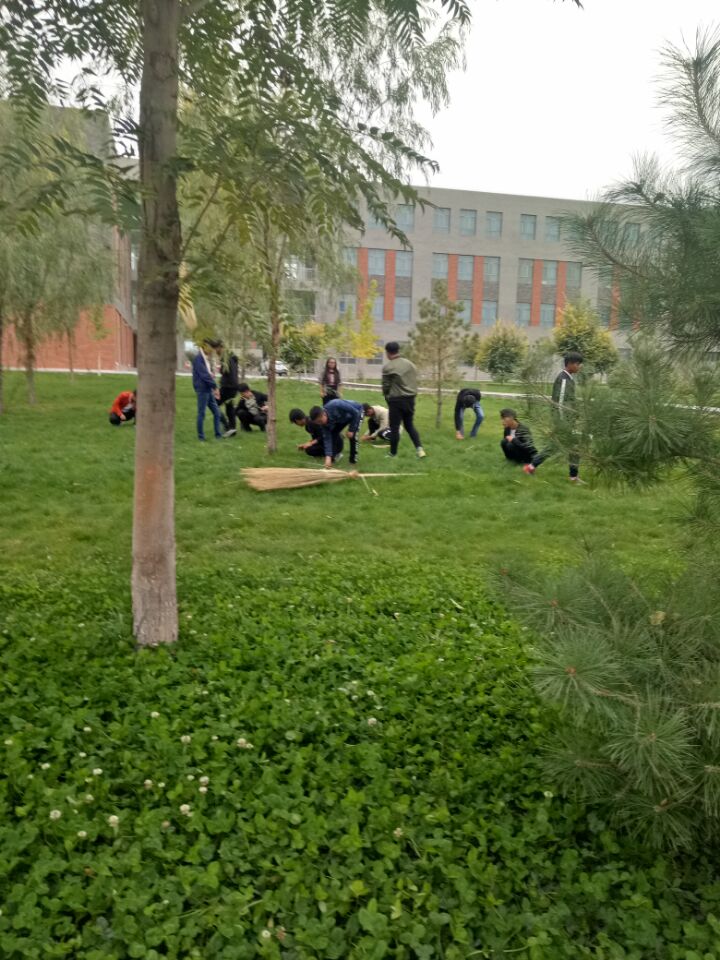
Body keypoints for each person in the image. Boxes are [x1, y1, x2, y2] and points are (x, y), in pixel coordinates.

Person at [523, 351, 584, 481]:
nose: (580, 366)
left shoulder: (569, 378)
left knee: (560, 446)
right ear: (570, 364)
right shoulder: (564, 379)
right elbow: (560, 403)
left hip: (567, 420)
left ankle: (532, 467)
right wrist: (563, 422)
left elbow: (569, 401)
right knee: (571, 447)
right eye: (578, 364)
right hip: (563, 421)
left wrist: (575, 414)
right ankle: (573, 477)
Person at [381, 341, 426, 459]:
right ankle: (420, 449)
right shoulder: (410, 364)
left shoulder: (388, 367)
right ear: (398, 350)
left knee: (394, 427)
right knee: (409, 425)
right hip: (410, 399)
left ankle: (393, 454)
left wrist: (386, 396)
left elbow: (386, 386)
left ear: (387, 352)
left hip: (396, 400)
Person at [309, 398, 364, 467]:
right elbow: (327, 439)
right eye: (317, 423)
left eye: (320, 421)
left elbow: (355, 412)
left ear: (324, 414)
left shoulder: (336, 405)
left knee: (352, 436)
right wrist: (328, 456)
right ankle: (332, 458)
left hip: (357, 412)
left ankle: (353, 461)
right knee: (333, 434)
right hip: (343, 418)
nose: (320, 424)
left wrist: (351, 429)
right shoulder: (323, 424)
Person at [192, 339, 223, 441]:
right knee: (201, 413)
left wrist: (212, 379)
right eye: (210, 348)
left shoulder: (205, 358)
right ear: (205, 346)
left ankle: (218, 435)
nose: (211, 351)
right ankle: (201, 437)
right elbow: (204, 375)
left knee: (217, 412)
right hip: (202, 390)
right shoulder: (198, 359)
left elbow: (207, 374)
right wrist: (215, 387)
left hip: (208, 389)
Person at [217, 341, 240, 437]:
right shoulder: (233, 357)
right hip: (234, 386)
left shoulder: (225, 357)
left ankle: (226, 425)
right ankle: (232, 428)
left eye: (217, 349)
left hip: (227, 386)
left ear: (221, 347)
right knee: (229, 407)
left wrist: (220, 369)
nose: (216, 351)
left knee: (213, 403)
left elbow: (225, 371)